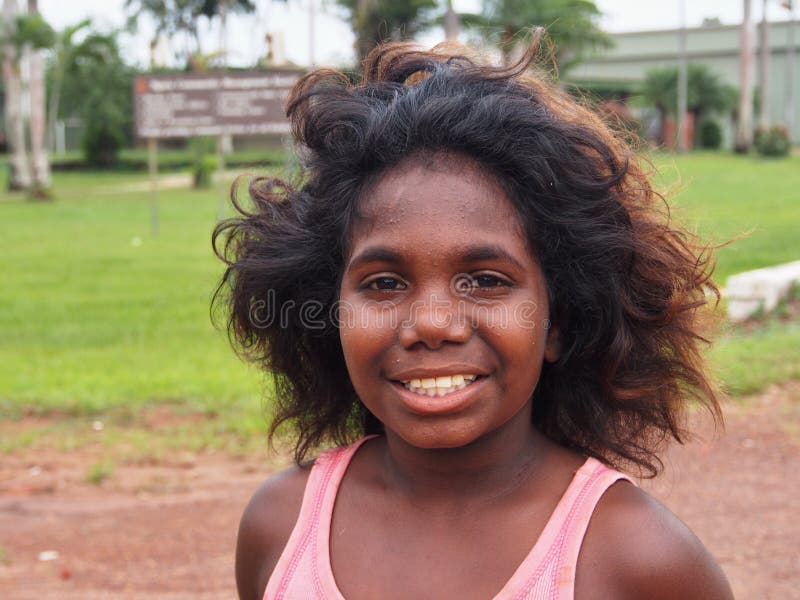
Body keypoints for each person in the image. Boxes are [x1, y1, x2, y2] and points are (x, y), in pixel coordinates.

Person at [213, 32, 734, 600]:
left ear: (558, 320)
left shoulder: (637, 560)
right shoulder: (280, 526)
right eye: (384, 283)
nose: (433, 323)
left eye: (486, 281)